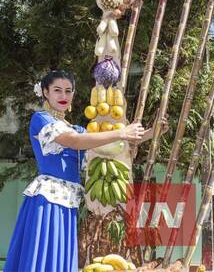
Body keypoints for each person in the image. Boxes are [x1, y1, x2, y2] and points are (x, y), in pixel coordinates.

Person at [4, 70, 166, 272]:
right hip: (48, 201)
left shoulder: (75, 128)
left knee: (58, 258)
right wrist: (122, 131)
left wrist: (151, 133)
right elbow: (74, 142)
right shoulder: (41, 119)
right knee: (45, 257)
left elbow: (108, 146)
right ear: (45, 92)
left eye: (68, 91)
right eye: (57, 90)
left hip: (68, 202)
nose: (64, 96)